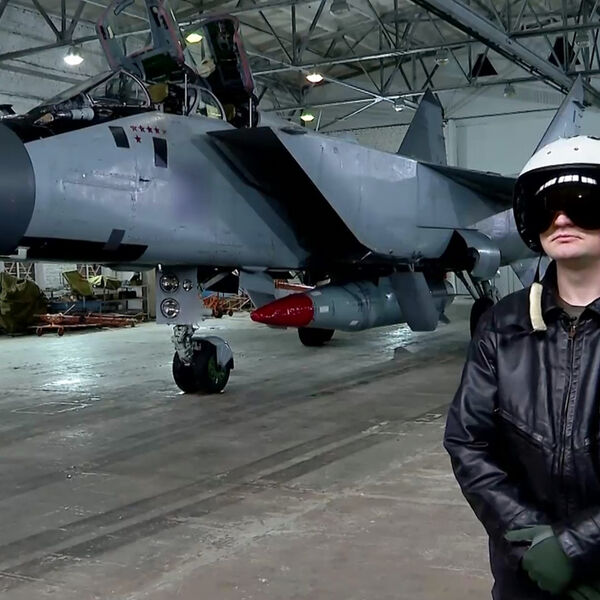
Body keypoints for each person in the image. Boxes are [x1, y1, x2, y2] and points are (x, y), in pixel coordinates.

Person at [444, 135, 600, 600]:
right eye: (544, 209)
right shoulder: (502, 325)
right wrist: (533, 545)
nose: (561, 219)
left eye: (581, 203)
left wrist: (574, 549)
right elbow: (468, 442)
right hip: (526, 575)